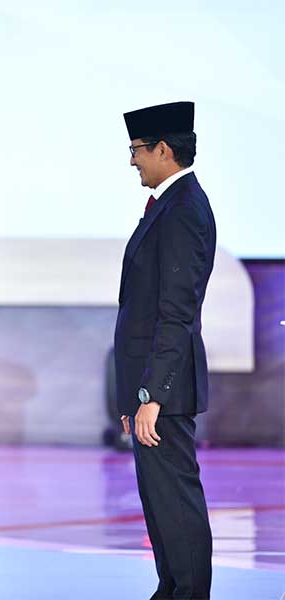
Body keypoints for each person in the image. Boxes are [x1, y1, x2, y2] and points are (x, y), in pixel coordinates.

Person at [116, 101, 215, 599]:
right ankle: (173, 587)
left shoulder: (183, 210)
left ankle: (189, 591)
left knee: (175, 497)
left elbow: (177, 311)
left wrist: (152, 393)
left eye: (136, 149)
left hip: (164, 388)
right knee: (158, 500)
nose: (132, 159)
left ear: (162, 149)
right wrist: (135, 395)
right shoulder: (169, 205)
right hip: (151, 388)